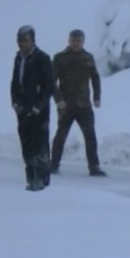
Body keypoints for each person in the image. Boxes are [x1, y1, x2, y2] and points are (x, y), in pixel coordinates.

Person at [51, 29, 107, 177]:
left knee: (90, 136)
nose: (76, 44)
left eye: (79, 41)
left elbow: (95, 78)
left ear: (83, 42)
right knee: (61, 136)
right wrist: (58, 100)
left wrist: (97, 96)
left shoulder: (87, 58)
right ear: (69, 41)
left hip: (84, 105)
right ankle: (53, 164)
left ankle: (94, 167)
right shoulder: (60, 58)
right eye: (73, 40)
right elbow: (51, 81)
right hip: (66, 105)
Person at [10, 25, 54, 191]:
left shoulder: (42, 58)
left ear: (33, 41)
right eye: (19, 40)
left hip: (38, 109)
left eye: (25, 40)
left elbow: (48, 86)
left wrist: (38, 106)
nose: (21, 44)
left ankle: (42, 178)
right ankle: (31, 177)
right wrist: (14, 101)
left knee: (40, 144)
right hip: (22, 108)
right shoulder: (18, 58)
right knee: (26, 143)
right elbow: (15, 82)